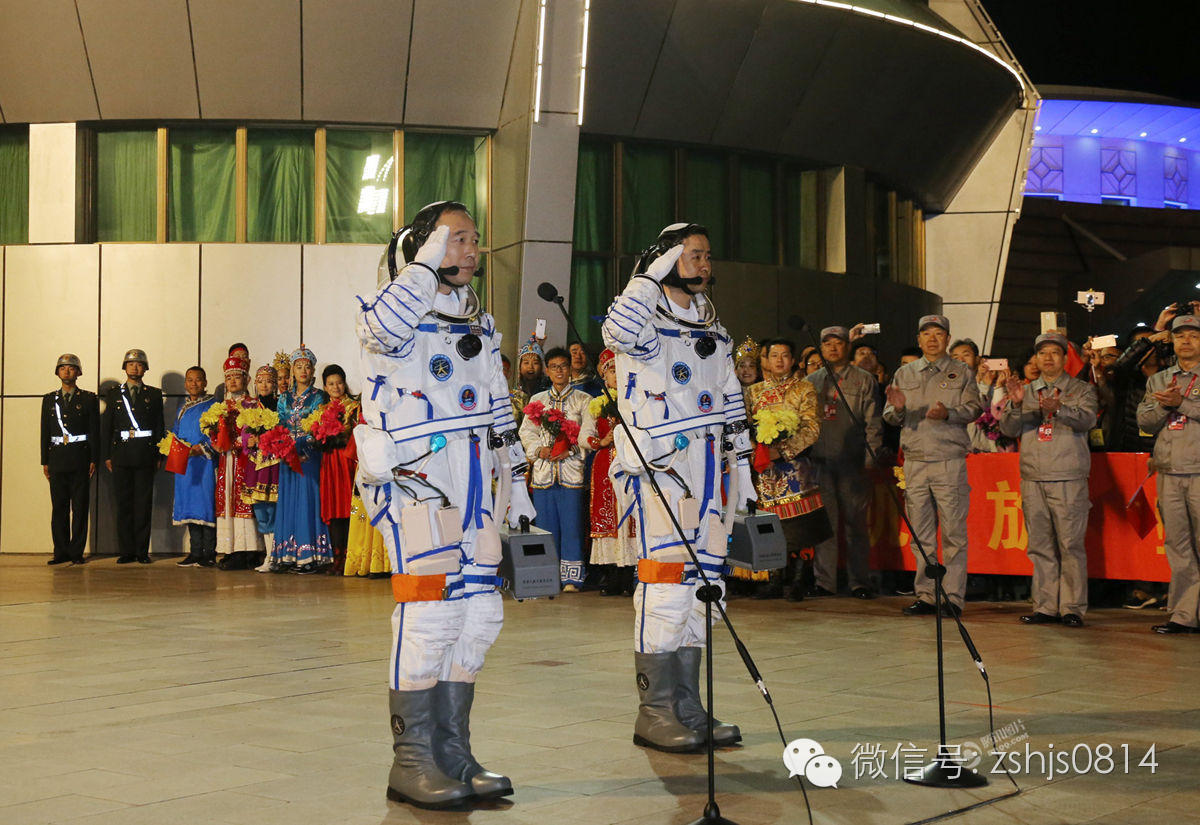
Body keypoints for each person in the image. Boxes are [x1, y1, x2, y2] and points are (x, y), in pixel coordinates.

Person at [355, 201, 536, 807]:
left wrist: (517, 481)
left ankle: (454, 752)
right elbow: (380, 329)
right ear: (423, 247)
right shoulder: (395, 315)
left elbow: (497, 403)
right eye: (457, 239)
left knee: (479, 614)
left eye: (475, 239)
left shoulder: (477, 324)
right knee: (430, 615)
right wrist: (426, 258)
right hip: (417, 479)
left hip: (478, 478)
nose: (471, 250)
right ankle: (413, 761)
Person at [602, 222, 752, 753]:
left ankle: (687, 703)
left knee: (704, 589)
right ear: (665, 259)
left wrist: (745, 465)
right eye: (692, 256)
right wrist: (649, 273)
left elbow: (729, 391)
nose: (703, 265)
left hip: (711, 464)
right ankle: (656, 709)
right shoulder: (643, 320)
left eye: (707, 256)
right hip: (664, 465)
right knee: (666, 585)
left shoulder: (710, 322)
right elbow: (614, 332)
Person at [883, 316, 982, 616]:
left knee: (953, 532)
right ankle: (926, 595)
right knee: (921, 534)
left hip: (948, 460)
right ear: (919, 338)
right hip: (914, 462)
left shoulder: (961, 371)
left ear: (948, 338)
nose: (932, 339)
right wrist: (898, 409)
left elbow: (975, 408)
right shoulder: (904, 372)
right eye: (927, 334)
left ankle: (952, 597)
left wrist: (948, 413)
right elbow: (889, 416)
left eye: (939, 334)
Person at [1001, 333, 1097, 627]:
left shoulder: (1081, 389)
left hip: (1068, 476)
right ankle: (1044, 606)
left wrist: (1061, 410)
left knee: (1070, 545)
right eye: (1042, 353)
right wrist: (1016, 404)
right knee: (1040, 545)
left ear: (1066, 359)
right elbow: (1007, 427)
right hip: (1033, 477)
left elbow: (1088, 420)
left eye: (1055, 353)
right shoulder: (1026, 391)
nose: (1048, 358)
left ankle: (1071, 608)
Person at [805, 326, 883, 599]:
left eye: (838, 343)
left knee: (856, 524)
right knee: (825, 525)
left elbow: (874, 421)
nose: (833, 348)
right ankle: (824, 582)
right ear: (821, 348)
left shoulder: (864, 380)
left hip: (853, 461)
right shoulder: (812, 381)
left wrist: (870, 456)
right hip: (820, 461)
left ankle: (859, 581)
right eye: (827, 344)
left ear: (846, 347)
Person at [1137, 314, 1200, 634]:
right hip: (1169, 472)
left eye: (1193, 335)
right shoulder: (1158, 380)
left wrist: (1183, 403)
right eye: (1180, 336)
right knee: (1178, 545)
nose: (1186, 341)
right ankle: (1183, 615)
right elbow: (1145, 421)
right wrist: (1165, 406)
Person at [747, 338, 823, 600]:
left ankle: (800, 580)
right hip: (765, 468)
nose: (779, 360)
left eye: (785, 355)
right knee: (770, 524)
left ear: (793, 361)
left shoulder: (804, 389)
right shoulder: (754, 392)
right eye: (774, 355)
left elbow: (812, 427)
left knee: (800, 524)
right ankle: (775, 578)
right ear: (765, 360)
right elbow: (746, 427)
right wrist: (758, 448)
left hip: (796, 465)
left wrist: (784, 449)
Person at [519, 346, 590, 590]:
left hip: (571, 471)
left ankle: (571, 577)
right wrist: (540, 450)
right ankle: (546, 577)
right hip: (543, 472)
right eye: (554, 367)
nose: (559, 371)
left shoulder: (584, 400)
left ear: (570, 369)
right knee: (544, 527)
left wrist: (570, 450)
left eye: (564, 366)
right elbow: (526, 432)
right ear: (547, 371)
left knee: (572, 525)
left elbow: (588, 434)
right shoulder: (537, 401)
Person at [580, 348, 637, 596]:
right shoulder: (596, 403)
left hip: (630, 463)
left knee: (630, 512)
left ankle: (630, 573)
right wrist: (600, 443)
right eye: (612, 370)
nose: (617, 375)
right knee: (608, 516)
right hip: (605, 465)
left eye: (620, 369)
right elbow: (584, 436)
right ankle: (613, 575)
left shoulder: (635, 400)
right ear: (604, 376)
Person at [270, 346, 332, 573]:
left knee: (307, 502)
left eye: (307, 366)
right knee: (288, 502)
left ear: (313, 369)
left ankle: (310, 555)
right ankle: (286, 554)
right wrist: (283, 447)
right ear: (292, 370)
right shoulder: (284, 398)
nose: (303, 370)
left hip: (309, 456)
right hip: (288, 458)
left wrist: (303, 445)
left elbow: (318, 426)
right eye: (298, 366)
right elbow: (279, 425)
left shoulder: (319, 396)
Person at [102, 349, 165, 564]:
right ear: (125, 367)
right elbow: (106, 427)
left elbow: (159, 426)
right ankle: (126, 551)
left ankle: (141, 551)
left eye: (139, 364)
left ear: (145, 368)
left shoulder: (154, 394)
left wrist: (158, 454)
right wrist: (107, 456)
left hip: (145, 455)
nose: (135, 367)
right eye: (131, 364)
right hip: (120, 456)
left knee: (143, 505)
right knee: (124, 504)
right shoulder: (113, 394)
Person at [41, 354, 100, 565]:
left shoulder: (88, 399)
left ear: (78, 372)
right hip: (57, 459)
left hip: (80, 458)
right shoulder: (49, 399)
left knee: (81, 507)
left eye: (72, 368)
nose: (67, 371)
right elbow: (45, 431)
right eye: (63, 368)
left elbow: (94, 431)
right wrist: (44, 461)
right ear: (57, 372)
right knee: (59, 508)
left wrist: (94, 458)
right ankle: (60, 551)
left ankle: (76, 552)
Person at [212, 356, 264, 569]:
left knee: (246, 503)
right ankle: (231, 548)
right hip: (227, 460)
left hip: (246, 460)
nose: (233, 381)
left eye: (237, 377)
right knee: (227, 501)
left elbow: (259, 431)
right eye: (229, 377)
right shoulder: (220, 407)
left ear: (246, 379)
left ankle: (249, 550)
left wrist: (241, 441)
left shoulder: (253, 405)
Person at [172, 367, 218, 567]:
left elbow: (218, 434)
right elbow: (175, 432)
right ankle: (195, 552)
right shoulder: (182, 408)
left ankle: (209, 552)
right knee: (189, 506)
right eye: (189, 380)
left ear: (205, 382)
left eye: (198, 380)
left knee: (206, 505)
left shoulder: (213, 405)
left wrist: (203, 448)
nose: (194, 384)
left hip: (205, 463)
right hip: (186, 464)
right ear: (185, 384)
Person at [319, 364, 360, 575]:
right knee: (334, 510)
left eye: (339, 382)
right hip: (330, 463)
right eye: (331, 384)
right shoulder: (321, 411)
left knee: (350, 508)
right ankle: (337, 557)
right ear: (325, 387)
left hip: (348, 461)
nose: (336, 387)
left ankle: (353, 557)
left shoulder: (355, 406)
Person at [246, 365, 281, 573]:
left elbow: (285, 431)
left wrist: (266, 438)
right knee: (260, 509)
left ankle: (276, 554)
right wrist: (248, 441)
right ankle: (268, 555)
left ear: (275, 384)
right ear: (255, 384)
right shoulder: (250, 408)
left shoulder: (280, 406)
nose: (264, 385)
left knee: (274, 508)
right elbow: (243, 435)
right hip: (255, 464)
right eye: (260, 381)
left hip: (274, 464)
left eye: (269, 381)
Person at [511, 335, 549, 424]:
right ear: (519, 367)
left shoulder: (548, 394)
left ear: (541, 367)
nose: (530, 367)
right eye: (526, 363)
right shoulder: (512, 397)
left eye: (535, 363)